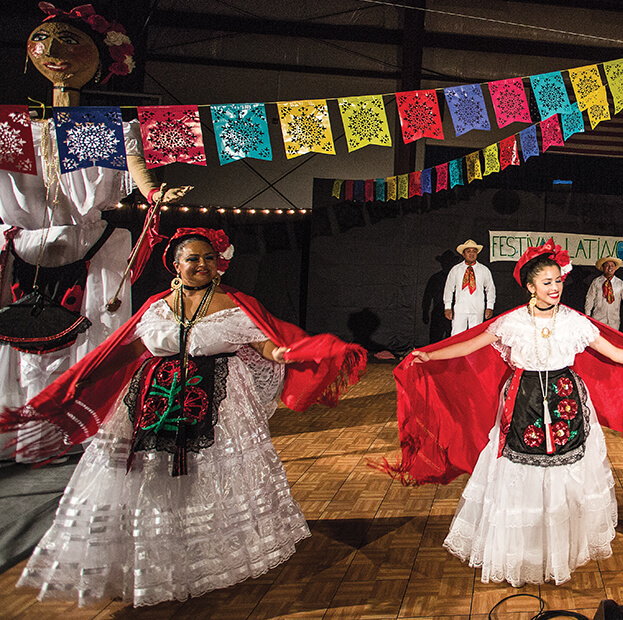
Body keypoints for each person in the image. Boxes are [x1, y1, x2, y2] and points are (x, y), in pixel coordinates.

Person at [1, 228, 366, 607]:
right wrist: (81, 380)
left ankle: (206, 560)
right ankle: (154, 559)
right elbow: (129, 351)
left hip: (219, 401)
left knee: (207, 475)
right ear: (176, 265)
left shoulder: (235, 303)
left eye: (209, 258)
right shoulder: (157, 307)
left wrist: (289, 354)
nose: (202, 265)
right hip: (152, 402)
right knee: (148, 477)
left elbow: (267, 343)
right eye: (193, 259)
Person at [382, 238, 623, 586]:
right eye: (547, 282)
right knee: (519, 475)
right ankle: (523, 551)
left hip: (566, 402)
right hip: (524, 403)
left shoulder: (574, 321)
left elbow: (611, 350)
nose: (555, 288)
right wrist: (431, 356)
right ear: (530, 286)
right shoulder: (512, 323)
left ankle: (557, 549)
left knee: (564, 476)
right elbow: (470, 344)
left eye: (558, 281)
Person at [0, 3, 190, 460]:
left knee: (91, 344)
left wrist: (154, 195)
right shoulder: (11, 126)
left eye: (70, 42)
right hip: (19, 246)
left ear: (103, 59)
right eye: (43, 41)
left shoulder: (107, 128)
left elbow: (138, 167)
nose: (54, 52)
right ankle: (17, 433)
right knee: (14, 346)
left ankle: (83, 429)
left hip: (89, 249)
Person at [443, 239, 496, 335]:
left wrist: (490, 307)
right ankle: (457, 351)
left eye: (474, 251)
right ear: (463, 254)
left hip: (477, 308)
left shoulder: (484, 270)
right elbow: (449, 288)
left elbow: (490, 289)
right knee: (457, 335)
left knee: (476, 336)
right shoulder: (456, 270)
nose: (471, 254)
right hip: (460, 308)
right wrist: (447, 307)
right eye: (468, 251)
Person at [584, 256, 623, 330]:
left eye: (612, 266)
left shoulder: (620, 283)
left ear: (615, 268)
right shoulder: (596, 282)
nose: (610, 267)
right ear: (603, 268)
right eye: (607, 265)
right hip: (598, 319)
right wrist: (587, 314)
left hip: (614, 321)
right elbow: (590, 298)